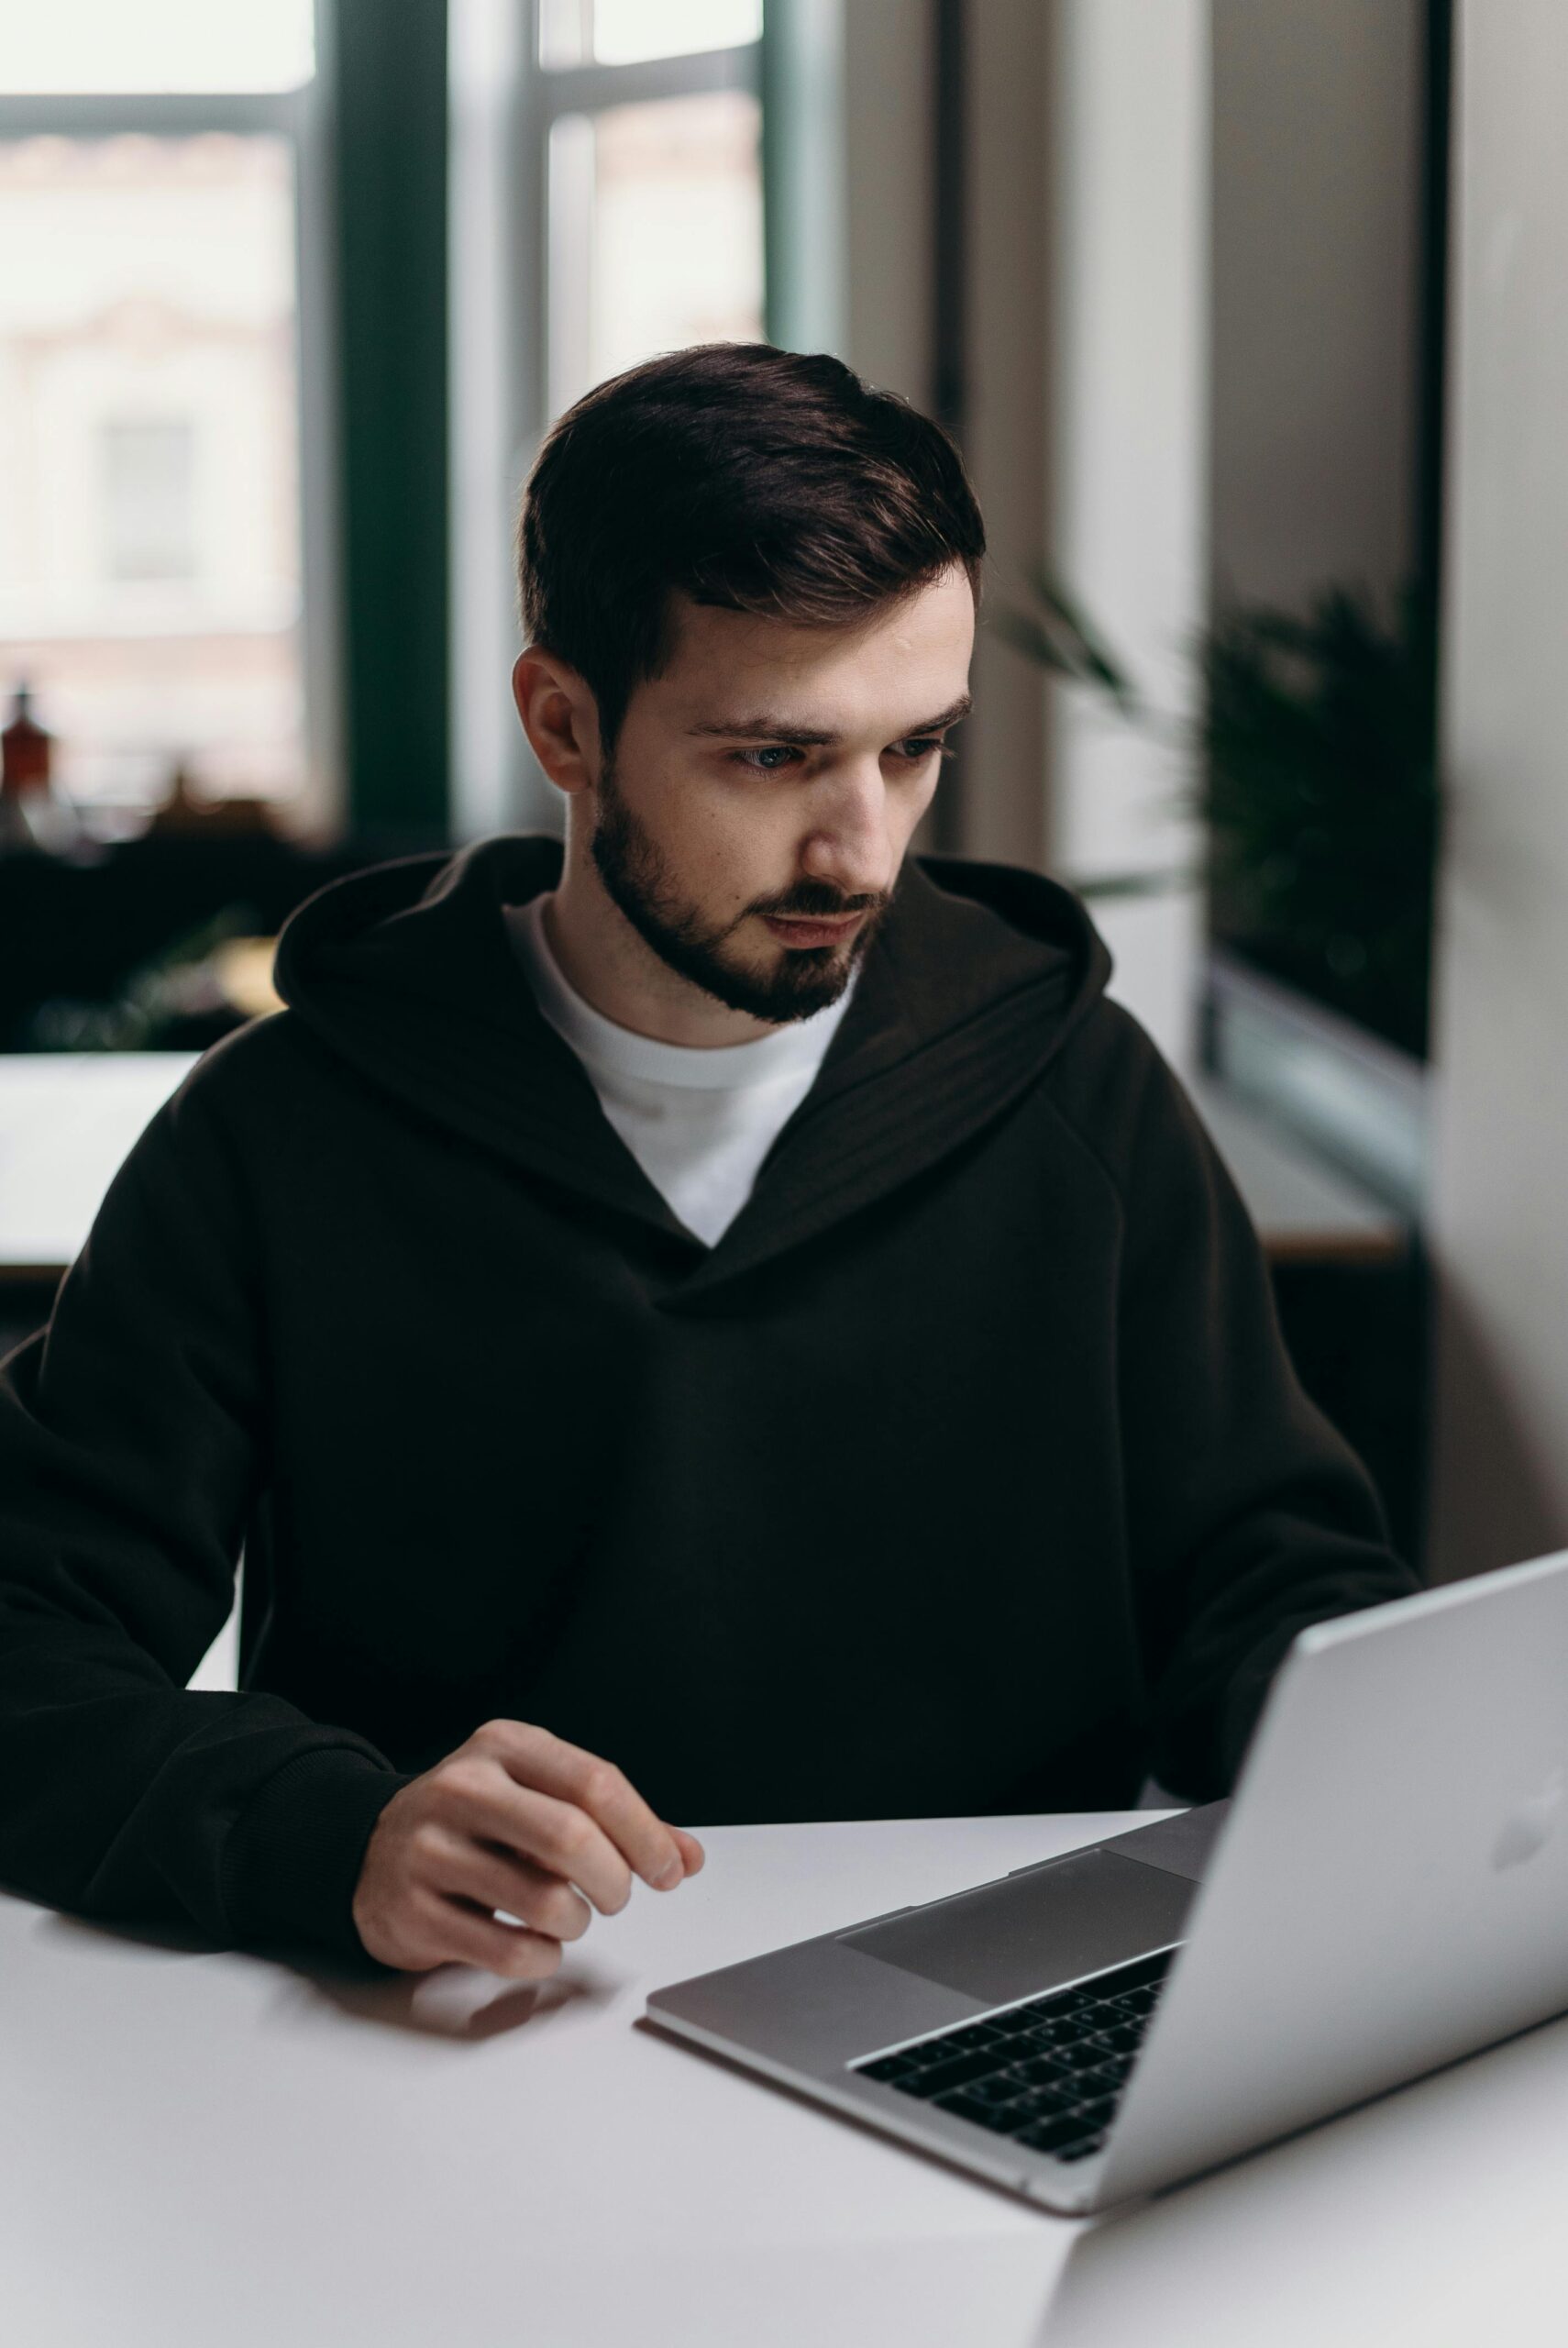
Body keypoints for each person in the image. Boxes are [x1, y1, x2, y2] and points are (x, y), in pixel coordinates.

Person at [0, 345, 1416, 1982]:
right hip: (483, 2028)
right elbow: (27, 1644)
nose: (860, 848)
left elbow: (1268, 1590)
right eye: (772, 757)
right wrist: (329, 1834)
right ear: (565, 724)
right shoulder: (279, 1131)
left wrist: (1422, 1757)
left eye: (912, 751)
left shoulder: (1079, 1096)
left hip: (988, 2016)